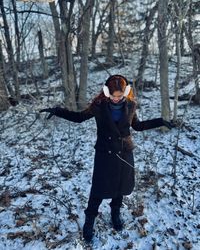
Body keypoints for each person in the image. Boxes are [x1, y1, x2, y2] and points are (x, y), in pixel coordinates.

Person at [40, 74, 173, 242]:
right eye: (113, 95)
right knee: (99, 188)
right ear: (106, 92)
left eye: (120, 95)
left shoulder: (131, 105)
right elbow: (79, 118)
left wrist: (160, 121)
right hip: (105, 153)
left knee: (120, 185)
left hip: (125, 152)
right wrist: (58, 111)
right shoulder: (98, 106)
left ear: (125, 92)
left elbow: (137, 126)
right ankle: (89, 221)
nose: (116, 99)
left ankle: (115, 214)